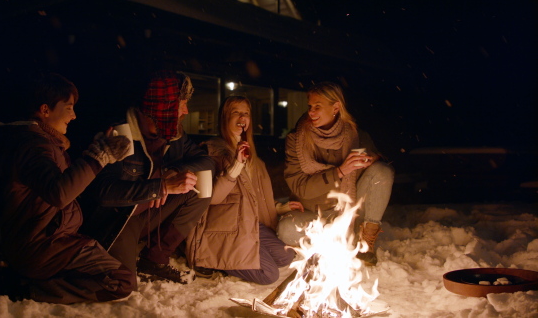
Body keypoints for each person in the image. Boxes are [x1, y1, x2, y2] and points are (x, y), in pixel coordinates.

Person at [0, 72, 135, 303]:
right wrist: (99, 157)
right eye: (68, 107)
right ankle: (27, 289)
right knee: (122, 282)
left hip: (46, 239)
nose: (74, 115)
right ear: (45, 110)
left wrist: (98, 151)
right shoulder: (33, 146)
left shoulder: (43, 143)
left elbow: (66, 183)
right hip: (41, 246)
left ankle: (26, 276)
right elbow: (59, 192)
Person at [81, 70, 216, 286]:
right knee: (122, 283)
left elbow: (206, 161)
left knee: (196, 184)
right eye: (181, 104)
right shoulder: (120, 134)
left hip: (149, 212)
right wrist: (158, 187)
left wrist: (172, 174)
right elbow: (103, 193)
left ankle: (154, 259)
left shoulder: (173, 134)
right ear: (163, 108)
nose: (186, 111)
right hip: (120, 220)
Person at [185, 96, 303, 285]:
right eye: (236, 112)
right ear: (225, 118)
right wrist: (235, 166)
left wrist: (278, 208)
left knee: (286, 257)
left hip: (250, 224)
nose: (242, 116)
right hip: (224, 229)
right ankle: (214, 259)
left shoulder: (254, 159)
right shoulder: (210, 152)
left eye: (246, 113)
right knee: (268, 274)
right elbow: (211, 198)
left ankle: (243, 254)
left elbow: (252, 197)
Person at [277, 81, 394, 266]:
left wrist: (372, 158)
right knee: (286, 230)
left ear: (336, 107)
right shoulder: (296, 139)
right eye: (310, 107)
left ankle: (365, 242)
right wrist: (339, 171)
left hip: (349, 209)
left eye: (317, 107)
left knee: (382, 171)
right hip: (314, 214)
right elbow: (300, 187)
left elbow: (377, 157)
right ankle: (332, 242)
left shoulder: (354, 134)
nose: (311, 112)